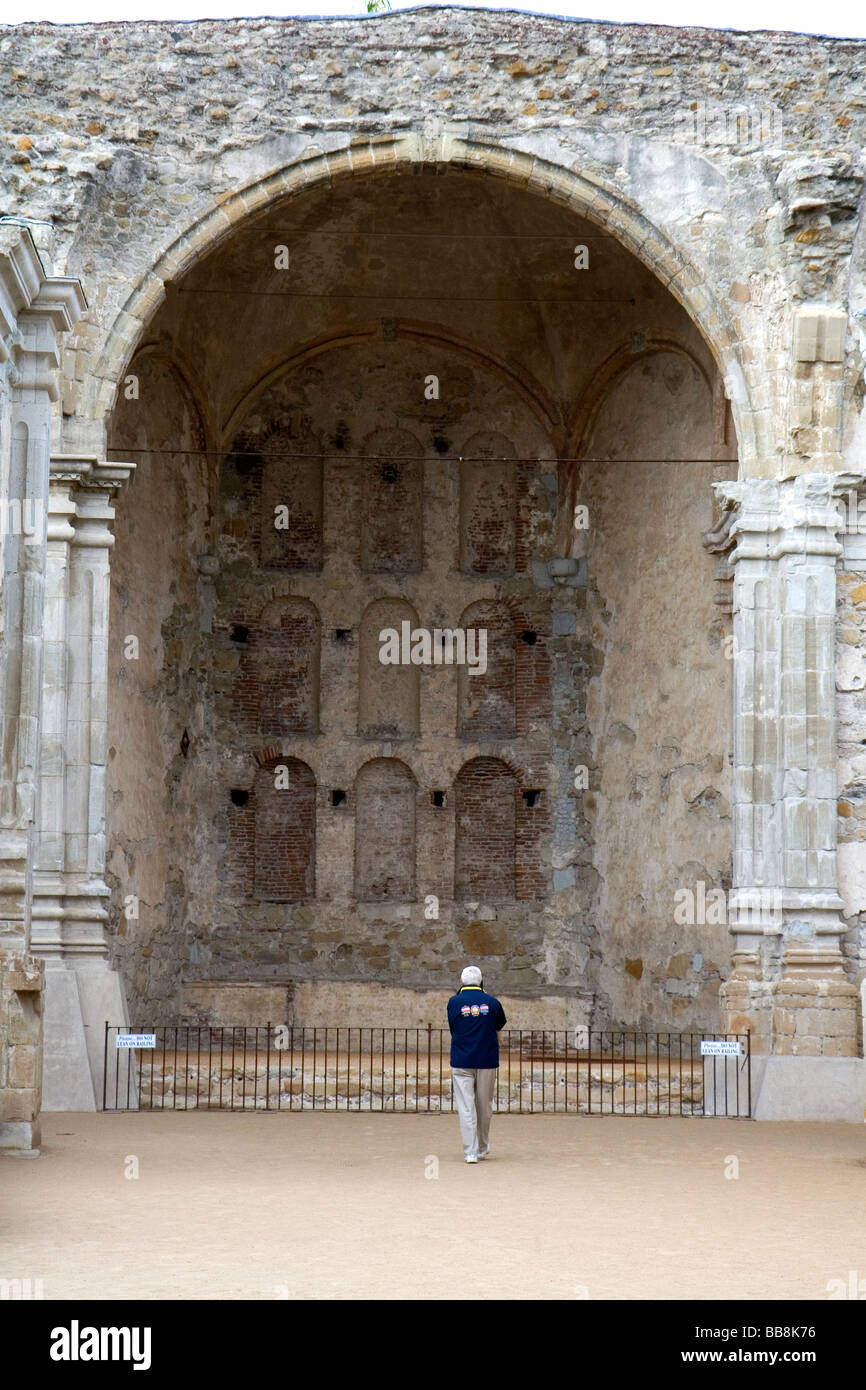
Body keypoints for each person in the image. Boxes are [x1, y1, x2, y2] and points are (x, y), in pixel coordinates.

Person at [447, 965, 507, 1164]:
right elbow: (498, 1026)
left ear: (462, 982)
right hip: (486, 1059)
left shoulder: (454, 1002)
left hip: (462, 1059)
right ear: (481, 981)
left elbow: (453, 1027)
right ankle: (482, 1146)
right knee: (484, 1105)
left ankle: (470, 1151)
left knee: (466, 1107)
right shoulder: (493, 1002)